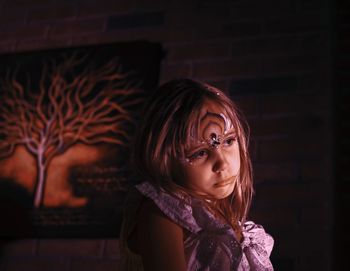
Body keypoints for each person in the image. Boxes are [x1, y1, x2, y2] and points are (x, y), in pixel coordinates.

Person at [119, 78, 274, 271]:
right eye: (200, 153)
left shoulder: (225, 217)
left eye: (228, 141)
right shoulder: (163, 212)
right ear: (164, 158)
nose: (222, 163)